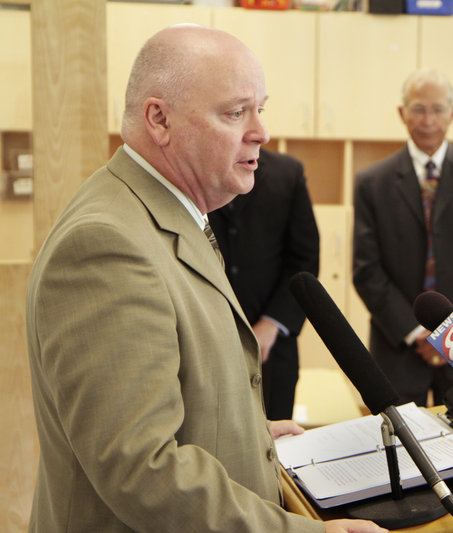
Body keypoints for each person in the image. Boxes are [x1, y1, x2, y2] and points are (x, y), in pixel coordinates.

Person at [25, 24, 386, 533]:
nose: (260, 131)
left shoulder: (168, 214)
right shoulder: (107, 246)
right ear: (159, 119)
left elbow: (167, 401)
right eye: (236, 112)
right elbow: (141, 469)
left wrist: (250, 438)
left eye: (261, 108)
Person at [353, 68, 453, 407]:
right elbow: (367, 269)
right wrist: (417, 331)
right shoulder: (372, 182)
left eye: (437, 109)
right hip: (398, 345)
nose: (428, 120)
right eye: (418, 109)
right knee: (399, 451)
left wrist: (451, 335)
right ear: (401, 113)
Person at [209, 148, 320, 421]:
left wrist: (272, 323)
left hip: (274, 348)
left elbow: (304, 260)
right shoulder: (191, 171)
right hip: (207, 344)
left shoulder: (287, 173)